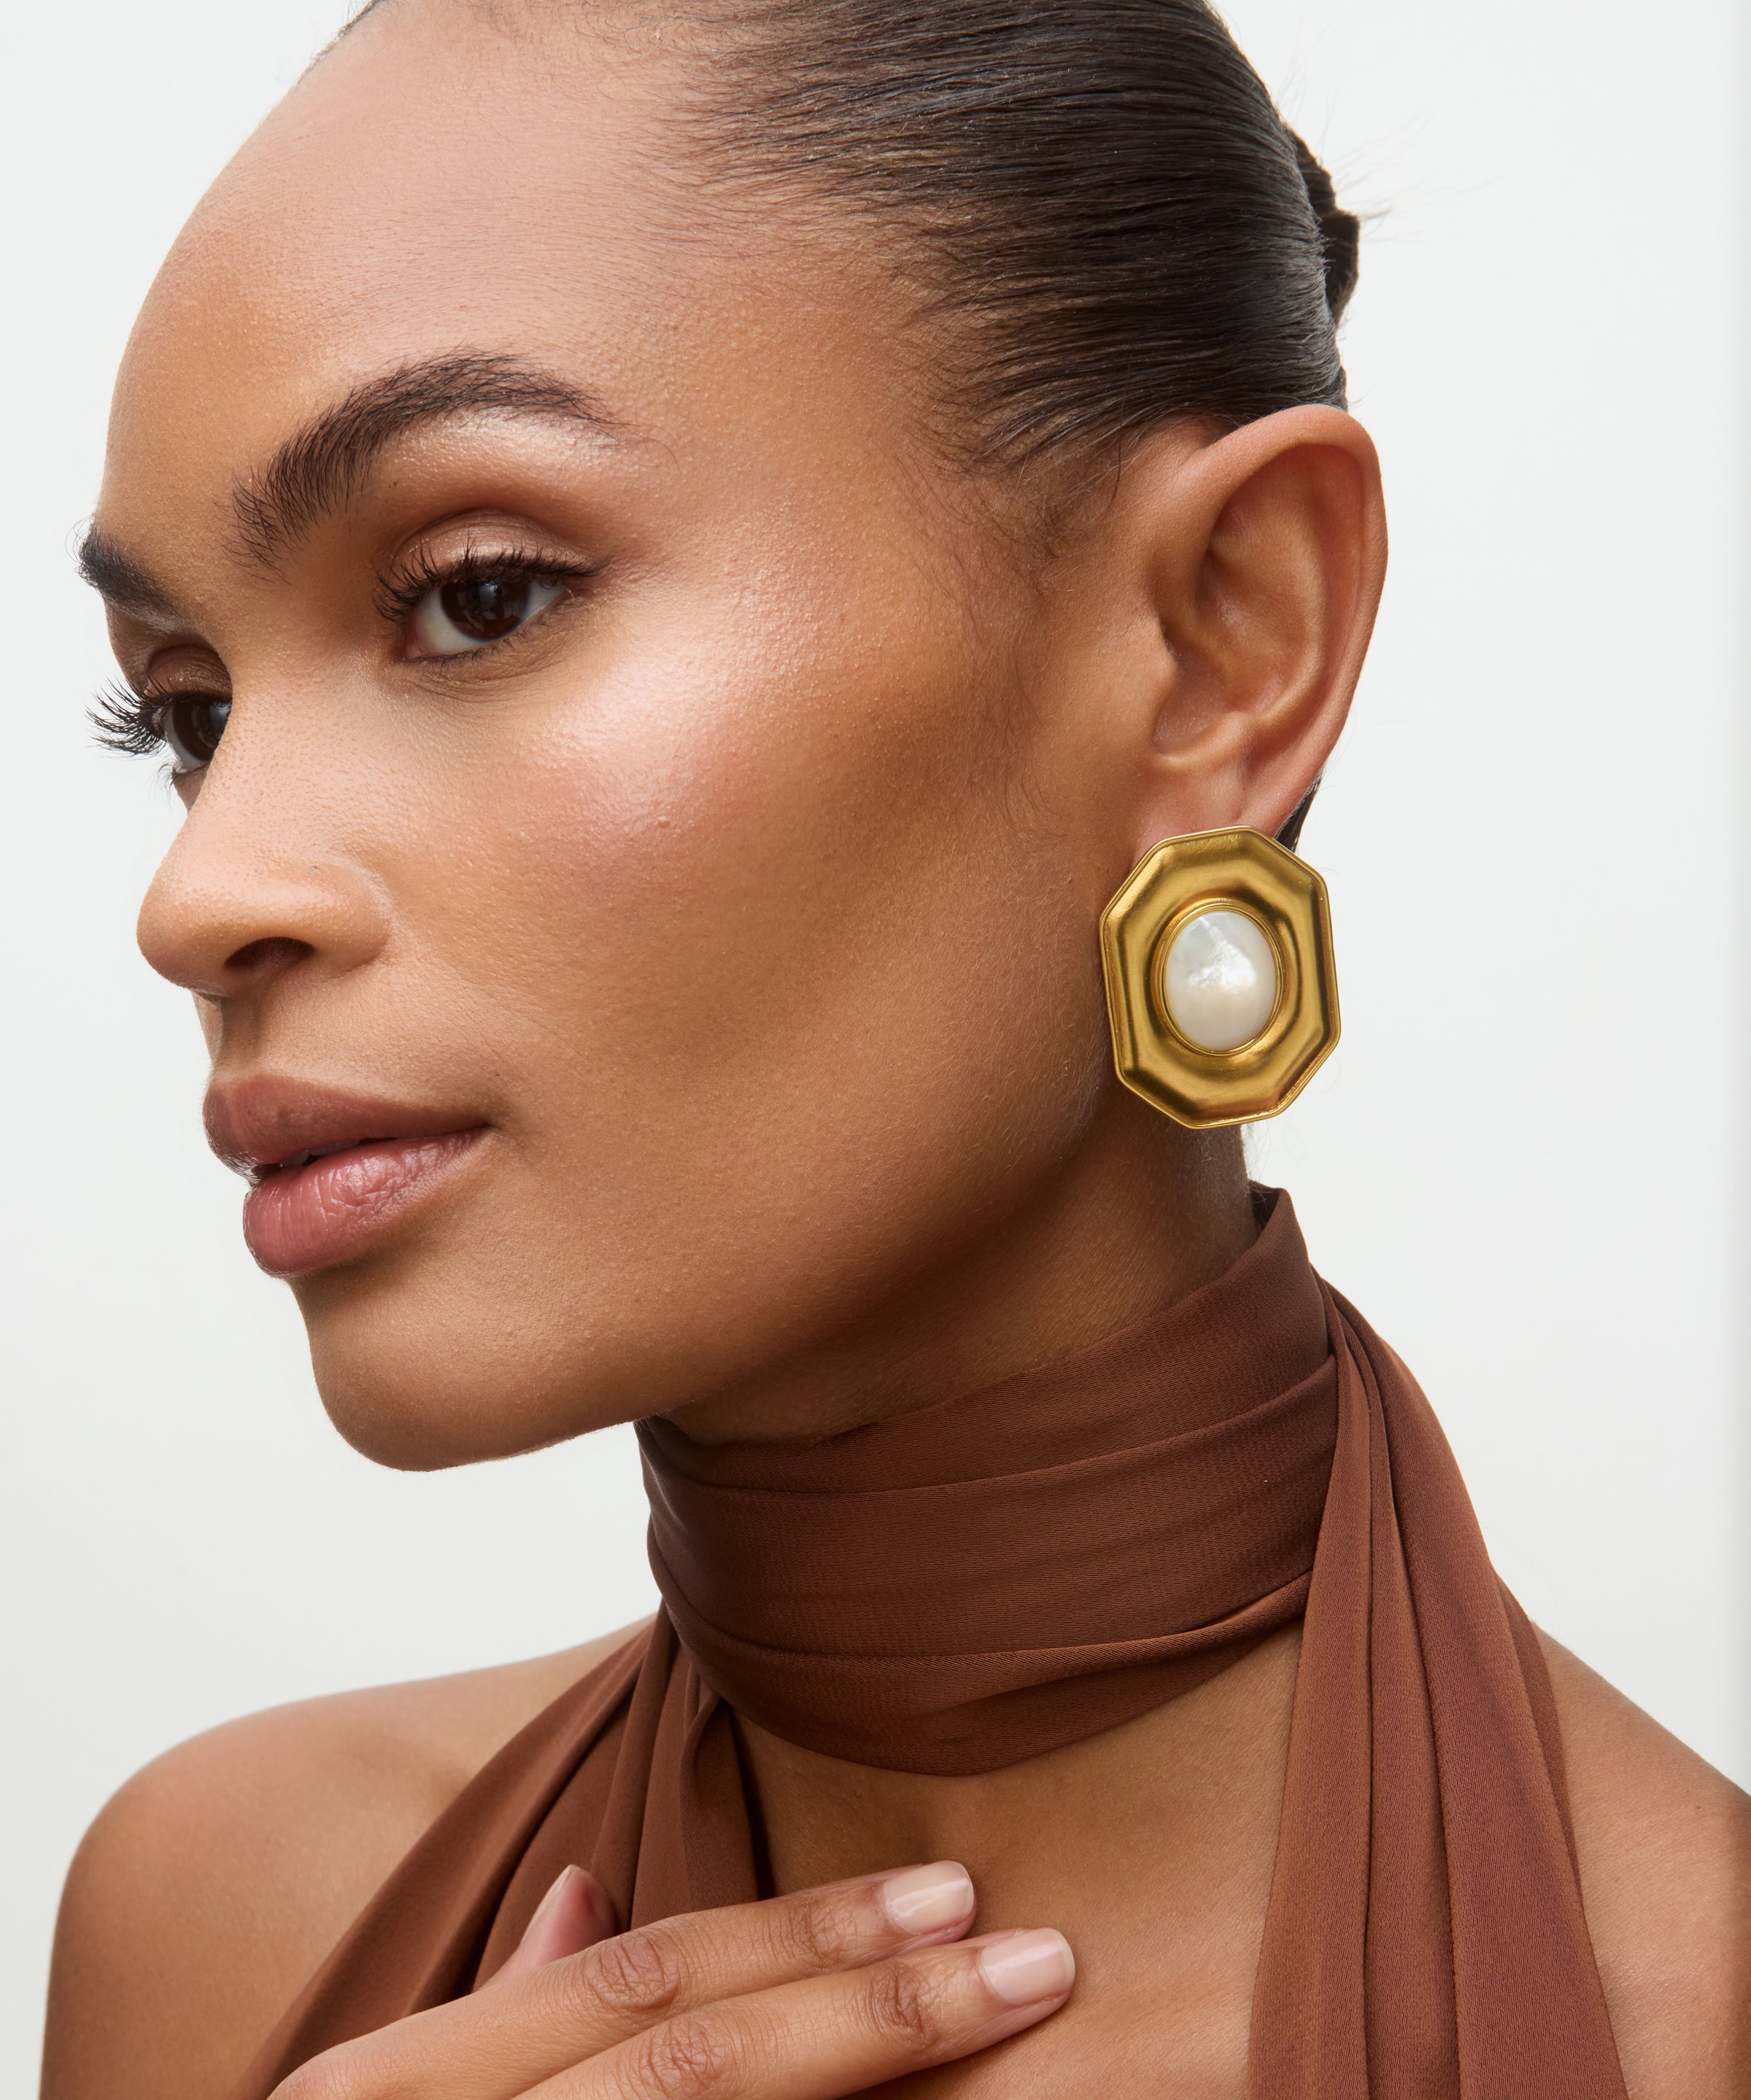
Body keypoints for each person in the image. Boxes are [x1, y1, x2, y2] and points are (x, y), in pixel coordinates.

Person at [41, 0, 1747, 2095]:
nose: (201, 895)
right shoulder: (229, 1930)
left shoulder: (1697, 2016)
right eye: (188, 713)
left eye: (479, 594)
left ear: (1226, 637)